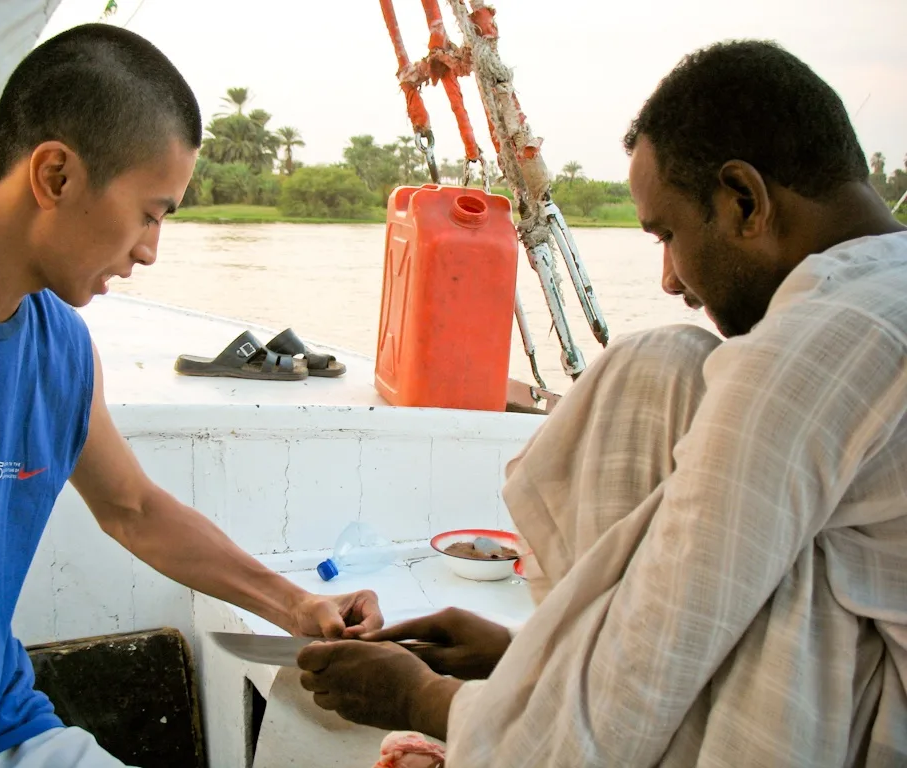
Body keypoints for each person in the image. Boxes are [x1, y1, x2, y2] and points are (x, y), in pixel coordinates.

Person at [297, 39, 907, 766]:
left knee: (649, 374)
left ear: (744, 201)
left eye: (668, 235)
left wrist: (426, 700)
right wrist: (528, 656)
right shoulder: (880, 293)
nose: (669, 281)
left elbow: (648, 665)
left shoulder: (820, 344)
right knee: (667, 365)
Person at [0, 24, 381, 768]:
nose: (150, 249)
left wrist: (297, 606)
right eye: (150, 212)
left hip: (0, 732)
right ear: (55, 176)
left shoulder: (60, 348)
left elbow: (135, 510)